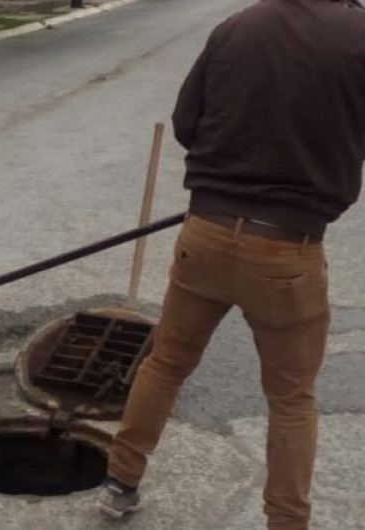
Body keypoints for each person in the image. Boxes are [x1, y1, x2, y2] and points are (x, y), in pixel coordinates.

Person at [97, 1, 365, 529]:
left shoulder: (236, 27)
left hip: (207, 233)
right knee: (290, 399)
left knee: (166, 363)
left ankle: (119, 484)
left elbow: (185, 123)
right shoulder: (359, 36)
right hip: (288, 250)